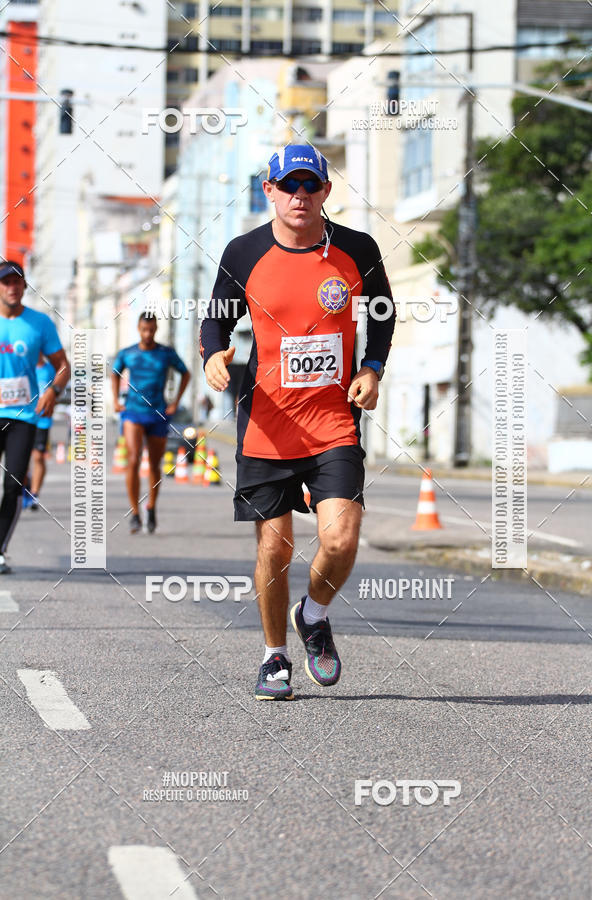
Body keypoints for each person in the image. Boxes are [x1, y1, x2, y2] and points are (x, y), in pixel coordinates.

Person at [200, 144, 396, 700]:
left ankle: (312, 614)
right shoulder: (243, 253)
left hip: (333, 420)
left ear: (327, 192)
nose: (300, 196)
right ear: (270, 191)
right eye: (290, 186)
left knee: (341, 536)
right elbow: (215, 318)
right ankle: (274, 656)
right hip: (266, 423)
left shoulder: (358, 250)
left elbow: (382, 314)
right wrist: (213, 354)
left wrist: (373, 367)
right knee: (276, 547)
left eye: (311, 185)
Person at [0, 260, 70, 573]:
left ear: (25, 287)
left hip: (22, 416)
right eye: (6, 282)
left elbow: (63, 366)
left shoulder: (39, 324)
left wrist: (53, 391)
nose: (12, 287)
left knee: (13, 485)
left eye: (17, 282)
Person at [112, 312, 190, 534]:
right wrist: (116, 400)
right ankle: (135, 513)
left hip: (157, 413)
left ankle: (152, 507)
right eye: (144, 330)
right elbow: (114, 372)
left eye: (151, 330)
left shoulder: (166, 353)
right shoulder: (128, 353)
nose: (148, 334)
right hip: (133, 413)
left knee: (155, 465)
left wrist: (175, 403)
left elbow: (186, 373)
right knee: (134, 459)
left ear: (155, 329)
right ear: (139, 328)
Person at [23, 353, 56, 511]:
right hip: (25, 417)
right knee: (21, 457)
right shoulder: (24, 366)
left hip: (42, 420)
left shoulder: (50, 369)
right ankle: (25, 484)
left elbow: (58, 388)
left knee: (37, 456)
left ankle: (34, 493)